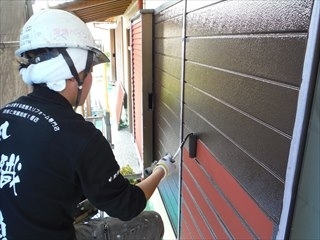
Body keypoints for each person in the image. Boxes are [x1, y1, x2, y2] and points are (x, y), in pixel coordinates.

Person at [0, 9, 176, 240]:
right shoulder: (79, 136)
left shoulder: (6, 113)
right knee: (150, 222)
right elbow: (128, 206)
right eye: (90, 70)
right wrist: (161, 171)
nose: (91, 79)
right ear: (72, 74)